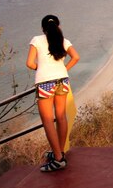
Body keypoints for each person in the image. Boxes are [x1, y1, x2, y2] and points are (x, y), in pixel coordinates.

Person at [26, 14, 80, 172]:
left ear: (43, 29)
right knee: (61, 116)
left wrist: (41, 69)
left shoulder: (37, 40)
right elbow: (76, 57)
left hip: (45, 83)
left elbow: (29, 63)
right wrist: (64, 70)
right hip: (62, 80)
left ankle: (58, 159)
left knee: (48, 121)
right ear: (58, 26)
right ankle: (60, 152)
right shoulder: (64, 41)